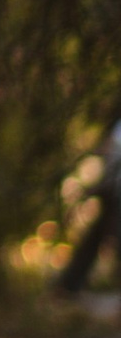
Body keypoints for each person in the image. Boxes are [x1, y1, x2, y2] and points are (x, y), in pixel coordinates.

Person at [63, 106, 121, 294]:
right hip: (112, 189)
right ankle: (68, 286)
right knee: (98, 236)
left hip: (114, 189)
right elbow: (107, 150)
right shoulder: (116, 124)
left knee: (104, 236)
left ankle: (69, 286)